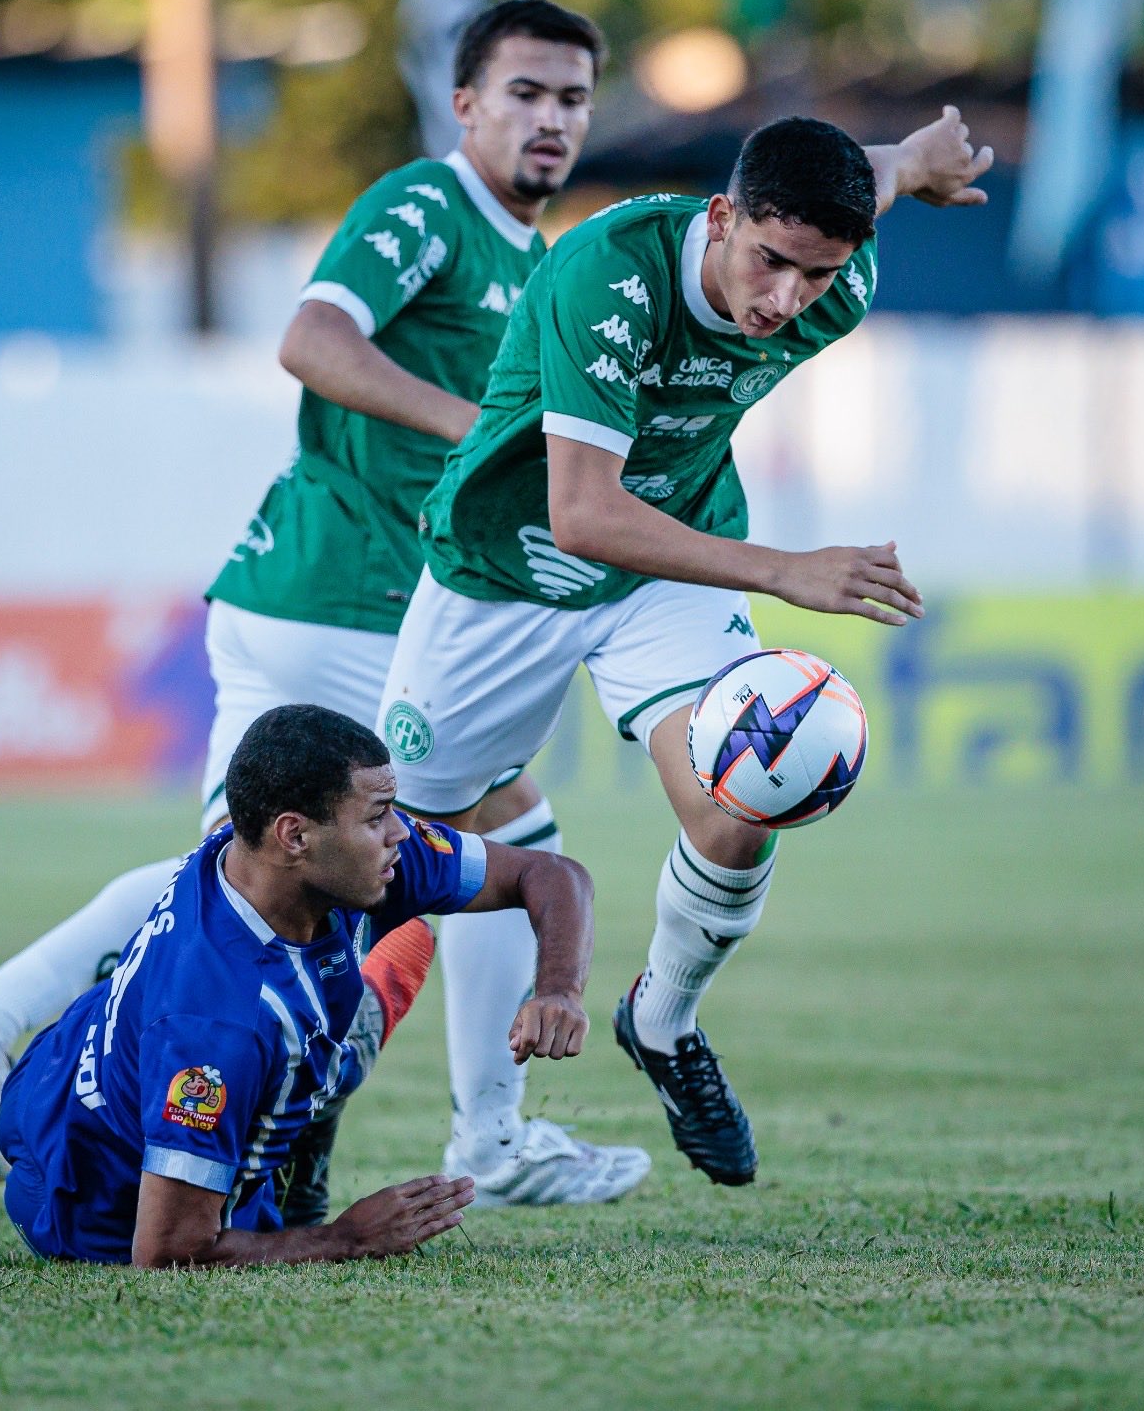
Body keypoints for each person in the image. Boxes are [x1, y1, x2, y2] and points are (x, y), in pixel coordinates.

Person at [0, 0, 651, 1209]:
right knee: (509, 832)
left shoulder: (533, 255)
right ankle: (494, 1135)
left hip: (324, 597)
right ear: (465, 104)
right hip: (341, 590)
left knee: (233, 876)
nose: (550, 119)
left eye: (571, 97)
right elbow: (310, 338)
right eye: (524, 92)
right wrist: (485, 432)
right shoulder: (426, 204)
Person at [376, 108, 994, 1187]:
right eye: (768, 262)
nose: (784, 299)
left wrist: (910, 161)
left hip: (666, 568)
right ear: (719, 217)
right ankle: (296, 1102)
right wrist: (785, 569)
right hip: (501, 571)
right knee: (383, 861)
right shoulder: (606, 274)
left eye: (814, 275)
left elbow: (865, 183)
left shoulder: (834, 279)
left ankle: (660, 1023)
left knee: (745, 792)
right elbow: (581, 514)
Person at [0, 704, 598, 1266]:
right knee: (289, 1045)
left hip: (59, 1073)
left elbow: (553, 876)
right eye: (377, 816)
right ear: (295, 835)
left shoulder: (270, 855)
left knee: (320, 1009)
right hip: (91, 1208)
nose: (403, 834)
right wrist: (347, 1237)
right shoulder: (217, 1026)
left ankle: (330, 1057)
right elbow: (165, 1253)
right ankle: (328, 1071)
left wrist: (558, 989)